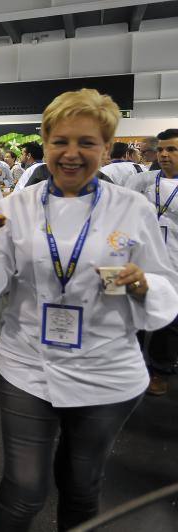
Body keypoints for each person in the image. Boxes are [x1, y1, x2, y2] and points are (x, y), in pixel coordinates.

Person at [0, 88, 178, 531]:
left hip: (106, 367)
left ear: (106, 147)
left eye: (87, 143)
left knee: (82, 486)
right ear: (45, 143)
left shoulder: (132, 207)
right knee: (23, 489)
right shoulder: (16, 206)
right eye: (60, 141)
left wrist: (142, 282)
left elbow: (165, 284)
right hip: (28, 363)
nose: (72, 154)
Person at [124, 128, 178, 396]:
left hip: (174, 264)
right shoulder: (141, 181)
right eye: (161, 149)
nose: (165, 155)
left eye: (172, 150)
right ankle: (129, 365)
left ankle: (160, 370)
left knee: (168, 324)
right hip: (139, 261)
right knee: (133, 316)